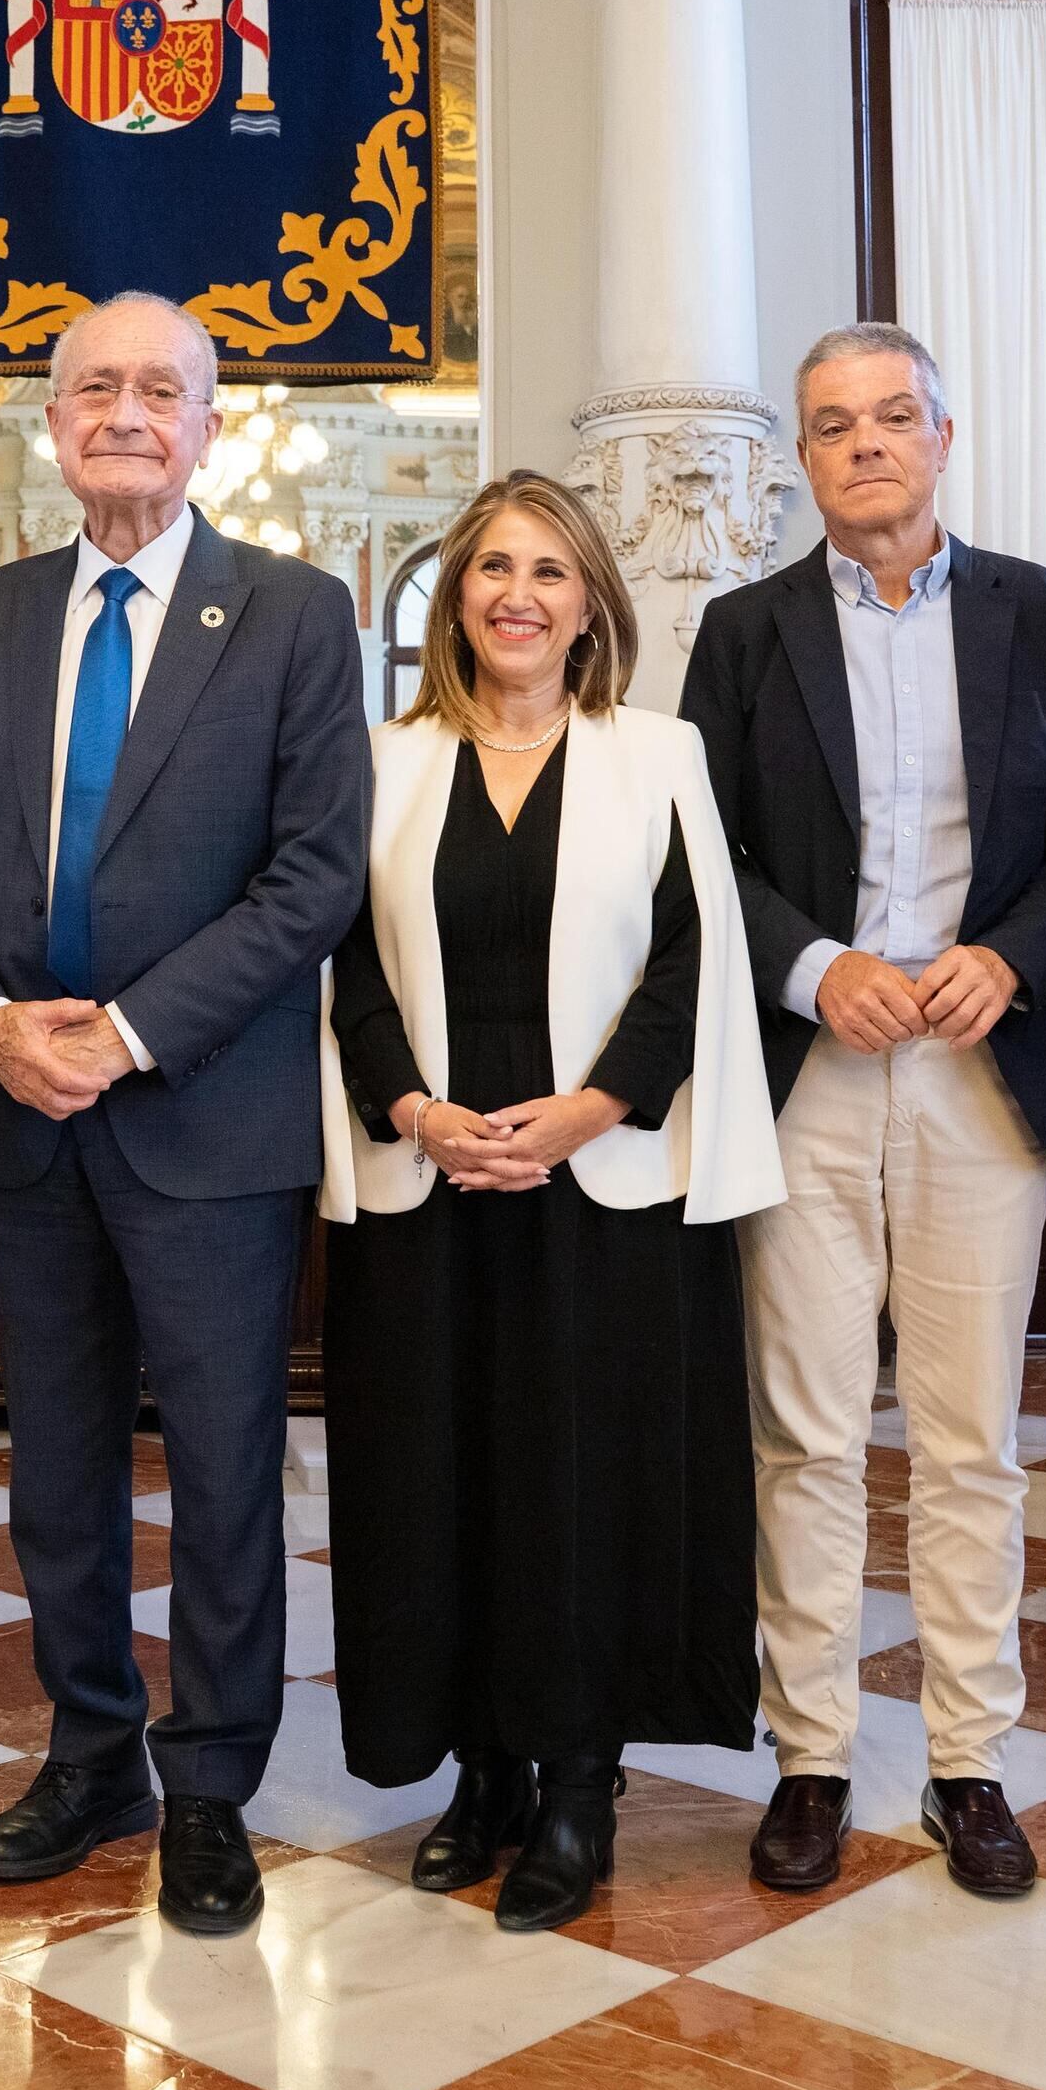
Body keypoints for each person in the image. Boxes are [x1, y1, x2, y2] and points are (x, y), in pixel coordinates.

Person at [0, 290, 369, 1935]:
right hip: (24, 1115)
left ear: (210, 424)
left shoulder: (298, 616)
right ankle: (93, 1749)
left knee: (228, 1464)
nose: (123, 411)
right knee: (60, 1470)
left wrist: (135, 1029)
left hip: (208, 1121)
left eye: (158, 388)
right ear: (50, 421)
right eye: (92, 385)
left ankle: (216, 1781)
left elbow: (314, 877)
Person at [678, 323, 1046, 1902]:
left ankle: (967, 1760)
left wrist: (1008, 955)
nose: (863, 443)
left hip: (979, 1075)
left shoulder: (1042, 615)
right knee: (803, 1431)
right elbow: (705, 852)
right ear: (803, 458)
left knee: (970, 1436)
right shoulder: (741, 631)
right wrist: (810, 964)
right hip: (808, 1078)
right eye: (830, 425)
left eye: (890, 416)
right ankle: (809, 1755)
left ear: (945, 430)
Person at [318, 471, 782, 1933]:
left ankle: (580, 1780)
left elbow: (693, 963)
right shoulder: (385, 764)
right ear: (456, 594)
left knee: (591, 1486)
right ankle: (482, 1772)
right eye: (491, 568)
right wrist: (415, 1110)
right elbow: (346, 970)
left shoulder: (659, 753)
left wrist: (583, 1113)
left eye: (549, 570)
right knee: (440, 1482)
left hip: (606, 1186)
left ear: (592, 603)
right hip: (431, 1179)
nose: (518, 593)